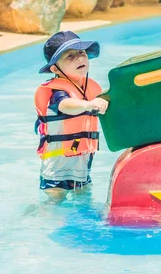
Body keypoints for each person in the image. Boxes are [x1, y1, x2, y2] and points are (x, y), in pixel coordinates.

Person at [34, 31, 109, 202]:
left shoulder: (90, 88)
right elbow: (65, 106)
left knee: (84, 195)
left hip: (81, 162)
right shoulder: (57, 92)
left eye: (82, 53)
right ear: (55, 69)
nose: (79, 58)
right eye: (70, 56)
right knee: (54, 201)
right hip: (57, 166)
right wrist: (88, 105)